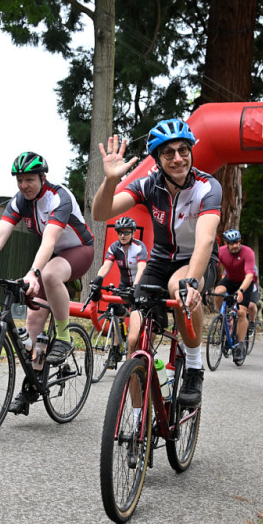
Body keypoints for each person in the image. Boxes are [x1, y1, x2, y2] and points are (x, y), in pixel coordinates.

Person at [92, 118, 221, 407]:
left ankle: (194, 366)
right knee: (134, 339)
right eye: (168, 153)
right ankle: (139, 419)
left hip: (197, 260)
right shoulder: (148, 185)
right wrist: (111, 180)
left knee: (180, 287)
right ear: (158, 160)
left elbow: (205, 241)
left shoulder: (207, 186)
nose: (178, 158)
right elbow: (101, 213)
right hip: (161, 261)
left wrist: (192, 282)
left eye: (183, 150)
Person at [0, 152, 94, 415]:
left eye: (29, 179)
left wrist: (33, 272)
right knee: (33, 324)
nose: (24, 185)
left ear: (43, 177)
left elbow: (50, 240)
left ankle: (64, 337)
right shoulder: (20, 201)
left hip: (79, 250)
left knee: (50, 275)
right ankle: (32, 385)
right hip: (52, 257)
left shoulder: (59, 197)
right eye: (20, 180)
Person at [89, 217, 147, 364]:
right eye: (120, 232)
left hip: (138, 285)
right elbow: (106, 266)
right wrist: (98, 280)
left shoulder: (139, 247)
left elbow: (141, 268)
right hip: (124, 285)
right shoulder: (114, 247)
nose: (123, 235)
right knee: (113, 310)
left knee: (137, 315)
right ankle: (115, 349)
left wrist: (136, 287)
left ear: (133, 233)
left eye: (126, 232)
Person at [212, 228, 259, 362]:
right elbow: (212, 266)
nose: (235, 246)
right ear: (226, 243)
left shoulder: (248, 252)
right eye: (232, 243)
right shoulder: (221, 251)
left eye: (237, 242)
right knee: (218, 291)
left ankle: (240, 345)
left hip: (246, 282)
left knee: (241, 312)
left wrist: (241, 291)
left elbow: (249, 276)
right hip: (231, 279)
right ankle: (223, 317)